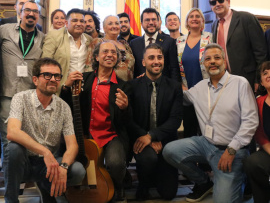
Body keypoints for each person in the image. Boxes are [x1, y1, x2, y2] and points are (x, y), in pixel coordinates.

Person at [163, 43, 259, 203]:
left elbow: (250, 121)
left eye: (216, 58)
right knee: (170, 150)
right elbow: (180, 96)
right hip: (206, 144)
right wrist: (159, 79)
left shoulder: (240, 83)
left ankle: (240, 179)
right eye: (208, 59)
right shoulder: (200, 87)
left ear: (224, 61)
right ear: (203, 64)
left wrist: (231, 149)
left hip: (232, 151)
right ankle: (203, 181)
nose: (212, 62)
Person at [3, 58, 85, 203]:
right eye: (47, 75)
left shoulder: (64, 107)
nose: (53, 79)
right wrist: (45, 151)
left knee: (78, 170)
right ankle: (11, 200)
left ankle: (49, 189)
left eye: (57, 76)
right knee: (13, 148)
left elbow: (72, 145)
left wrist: (64, 167)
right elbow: (12, 132)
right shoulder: (20, 98)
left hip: (50, 165)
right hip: (23, 163)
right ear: (35, 80)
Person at [60, 41, 131, 202]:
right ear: (97, 57)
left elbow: (126, 122)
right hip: (84, 134)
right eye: (105, 52)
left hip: (110, 135)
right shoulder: (83, 79)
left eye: (114, 53)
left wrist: (125, 108)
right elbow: (67, 107)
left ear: (117, 59)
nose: (110, 55)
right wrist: (65, 87)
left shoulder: (123, 86)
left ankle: (118, 187)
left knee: (115, 163)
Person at [128, 43, 183, 201]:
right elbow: (129, 119)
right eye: (151, 58)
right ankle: (144, 182)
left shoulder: (174, 87)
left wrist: (153, 136)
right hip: (141, 139)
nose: (156, 61)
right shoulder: (133, 86)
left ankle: (157, 173)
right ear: (143, 62)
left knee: (168, 194)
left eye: (159, 57)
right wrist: (146, 137)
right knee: (148, 159)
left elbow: (175, 119)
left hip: (166, 141)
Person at [0, 0, 44, 162]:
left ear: (38, 16)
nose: (31, 14)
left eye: (35, 12)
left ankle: (21, 178)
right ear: (20, 12)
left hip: (30, 97)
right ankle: (13, 184)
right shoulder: (4, 31)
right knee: (8, 140)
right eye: (28, 10)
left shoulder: (43, 38)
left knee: (25, 139)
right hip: (7, 94)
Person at [210, 0, 267, 91]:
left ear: (228, 2)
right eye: (213, 2)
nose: (217, 4)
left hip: (248, 79)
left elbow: (261, 52)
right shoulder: (214, 25)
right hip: (225, 81)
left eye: (220, 0)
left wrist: (258, 79)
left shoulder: (246, 19)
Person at [176, 8, 212, 138]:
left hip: (207, 90)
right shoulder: (179, 41)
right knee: (189, 128)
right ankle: (190, 157)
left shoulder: (209, 38)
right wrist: (181, 84)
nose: (194, 18)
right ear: (187, 21)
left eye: (198, 16)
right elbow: (175, 66)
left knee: (207, 128)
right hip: (187, 91)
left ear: (202, 21)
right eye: (191, 16)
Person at [42, 8, 92, 90]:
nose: (79, 24)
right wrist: (64, 84)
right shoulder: (54, 36)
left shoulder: (89, 40)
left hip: (83, 88)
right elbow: (45, 63)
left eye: (82, 21)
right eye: (75, 20)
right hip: (61, 87)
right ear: (66, 23)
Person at [243, 61, 270, 203]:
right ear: (261, 83)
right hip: (268, 151)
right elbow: (259, 134)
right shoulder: (258, 102)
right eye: (265, 73)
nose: (269, 75)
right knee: (252, 162)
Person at [130, 8, 180, 81]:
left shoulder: (169, 42)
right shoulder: (134, 43)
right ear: (141, 24)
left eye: (154, 19)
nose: (151, 23)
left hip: (164, 87)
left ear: (158, 22)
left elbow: (174, 69)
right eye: (147, 20)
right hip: (140, 88)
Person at [85, 15, 135, 81]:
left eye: (117, 23)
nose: (114, 26)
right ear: (104, 28)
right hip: (106, 85)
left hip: (127, 86)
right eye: (110, 24)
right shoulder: (97, 42)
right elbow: (89, 67)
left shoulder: (125, 44)